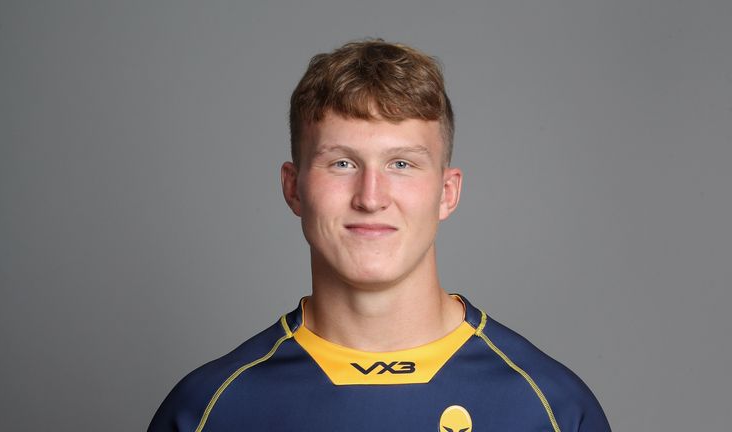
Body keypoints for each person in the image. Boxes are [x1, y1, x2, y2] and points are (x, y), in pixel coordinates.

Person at [148, 39, 611, 432]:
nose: (371, 197)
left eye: (402, 164)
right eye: (342, 163)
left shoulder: (550, 410)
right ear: (294, 188)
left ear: (447, 193)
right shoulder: (209, 411)